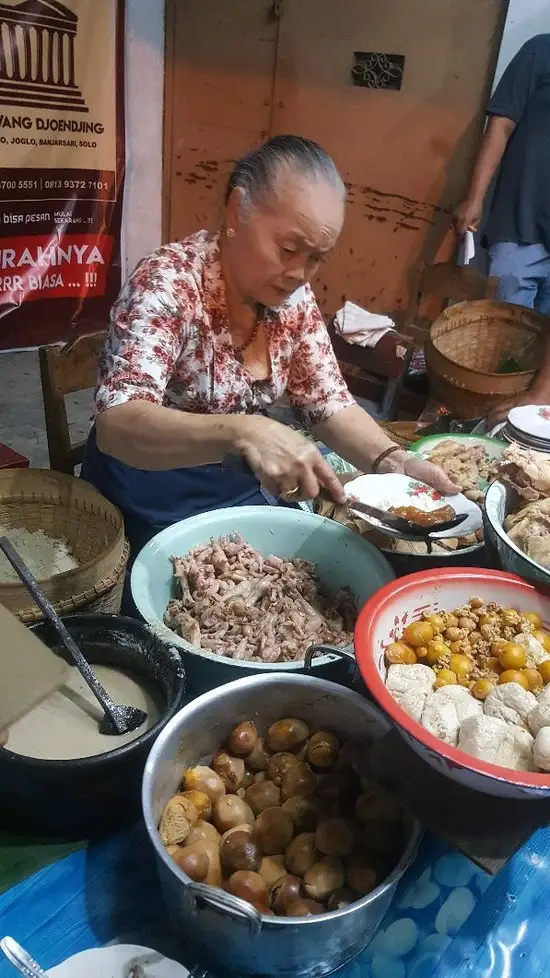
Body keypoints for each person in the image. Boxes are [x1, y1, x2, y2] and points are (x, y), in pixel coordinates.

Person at [82, 135, 456, 559]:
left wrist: (393, 462)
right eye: (289, 248)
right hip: (148, 495)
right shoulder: (168, 283)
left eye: (316, 258)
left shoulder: (292, 298)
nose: (299, 273)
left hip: (235, 489)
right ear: (236, 211)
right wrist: (246, 430)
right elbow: (118, 425)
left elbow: (327, 401)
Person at [453, 35, 550, 426]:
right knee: (504, 339)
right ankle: (488, 427)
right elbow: (501, 125)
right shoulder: (540, 51)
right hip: (521, 220)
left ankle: (531, 429)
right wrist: (474, 198)